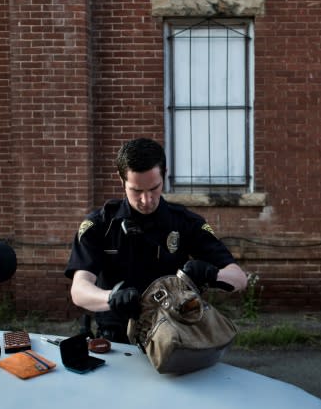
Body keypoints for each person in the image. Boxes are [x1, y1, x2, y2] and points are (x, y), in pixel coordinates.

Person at [65, 138, 248, 343]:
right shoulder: (100, 225)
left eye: (154, 188)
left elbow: (239, 279)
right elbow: (79, 291)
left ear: (165, 174)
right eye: (136, 191)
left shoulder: (185, 223)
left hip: (174, 339)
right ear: (121, 179)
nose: (146, 200)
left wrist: (211, 274)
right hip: (116, 342)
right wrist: (110, 298)